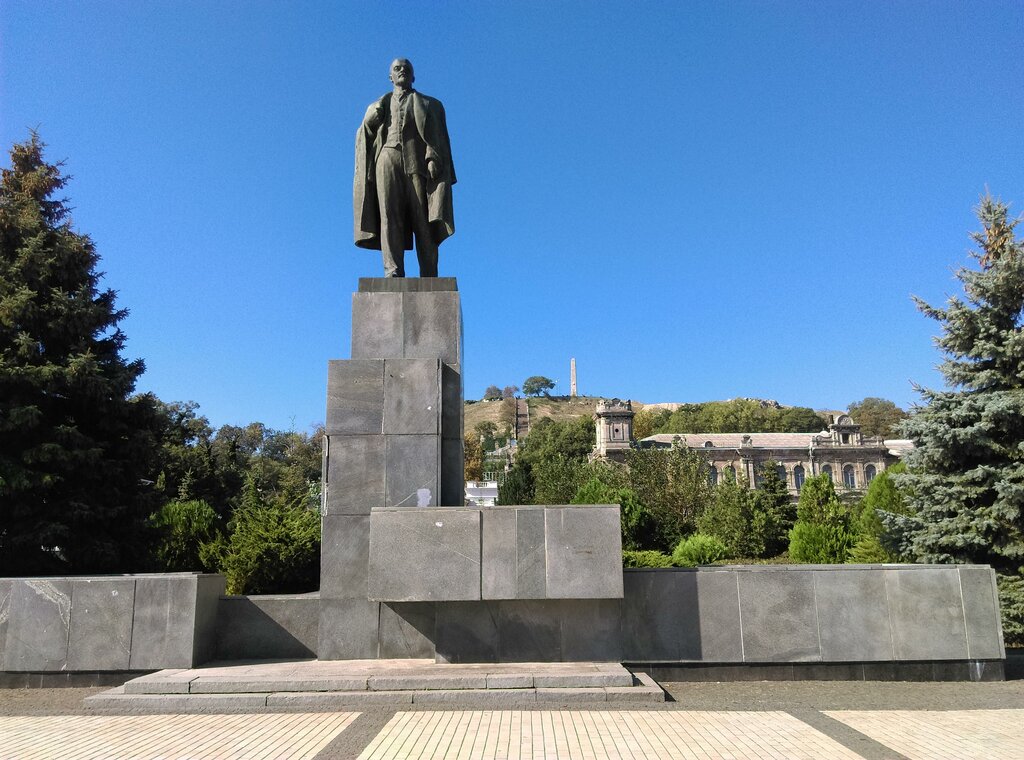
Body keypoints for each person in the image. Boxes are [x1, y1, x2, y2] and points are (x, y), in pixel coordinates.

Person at [353, 58, 456, 277]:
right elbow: (364, 137)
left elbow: (439, 138)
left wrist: (433, 156)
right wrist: (369, 123)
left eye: (406, 69)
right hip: (387, 158)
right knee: (389, 216)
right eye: (397, 69)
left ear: (413, 76)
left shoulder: (430, 104)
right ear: (390, 76)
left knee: (423, 218)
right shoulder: (377, 105)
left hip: (417, 161)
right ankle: (393, 270)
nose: (402, 71)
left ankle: (429, 273)